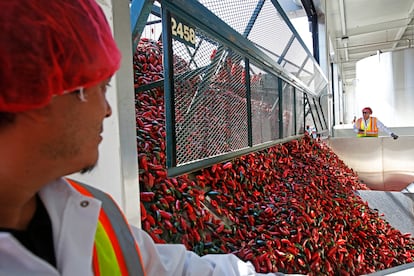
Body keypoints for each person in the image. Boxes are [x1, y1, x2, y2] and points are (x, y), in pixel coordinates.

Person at [0, 1, 295, 275]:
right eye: (100, 88)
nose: (107, 110)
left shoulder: (93, 214)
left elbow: (176, 271)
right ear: (39, 92)